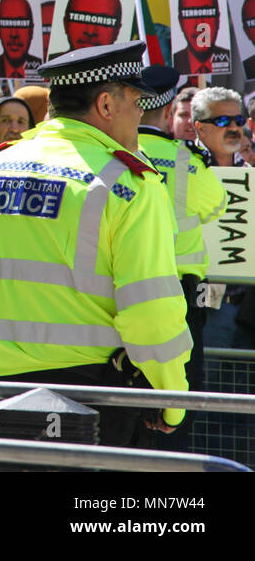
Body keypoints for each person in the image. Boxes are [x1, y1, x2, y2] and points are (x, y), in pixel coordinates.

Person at [0, 41, 191, 446]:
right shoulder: (128, 184)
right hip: (92, 393)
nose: (141, 111)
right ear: (106, 105)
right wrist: (171, 398)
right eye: (137, 99)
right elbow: (151, 311)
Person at [135, 65, 226, 450]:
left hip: (125, 288)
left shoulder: (112, 153)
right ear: (171, 106)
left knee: (129, 388)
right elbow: (216, 204)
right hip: (182, 291)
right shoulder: (189, 160)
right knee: (181, 390)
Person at [173, 0, 230, 77]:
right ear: (180, 22)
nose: (200, 25)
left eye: (207, 12)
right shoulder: (171, 63)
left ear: (218, 19)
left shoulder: (236, 63)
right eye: (190, 14)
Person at [52, 0, 122, 57]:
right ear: (66, 24)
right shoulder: (48, 64)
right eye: (80, 18)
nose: (90, 32)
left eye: (104, 21)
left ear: (117, 31)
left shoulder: (124, 66)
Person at [191, 86, 245, 166]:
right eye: (223, 121)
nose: (234, 128)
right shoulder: (181, 166)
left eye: (238, 120)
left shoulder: (250, 171)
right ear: (201, 128)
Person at [0, 0, 41, 81]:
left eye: (21, 23)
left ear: (32, 29)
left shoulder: (44, 69)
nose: (14, 34)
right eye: (6, 23)